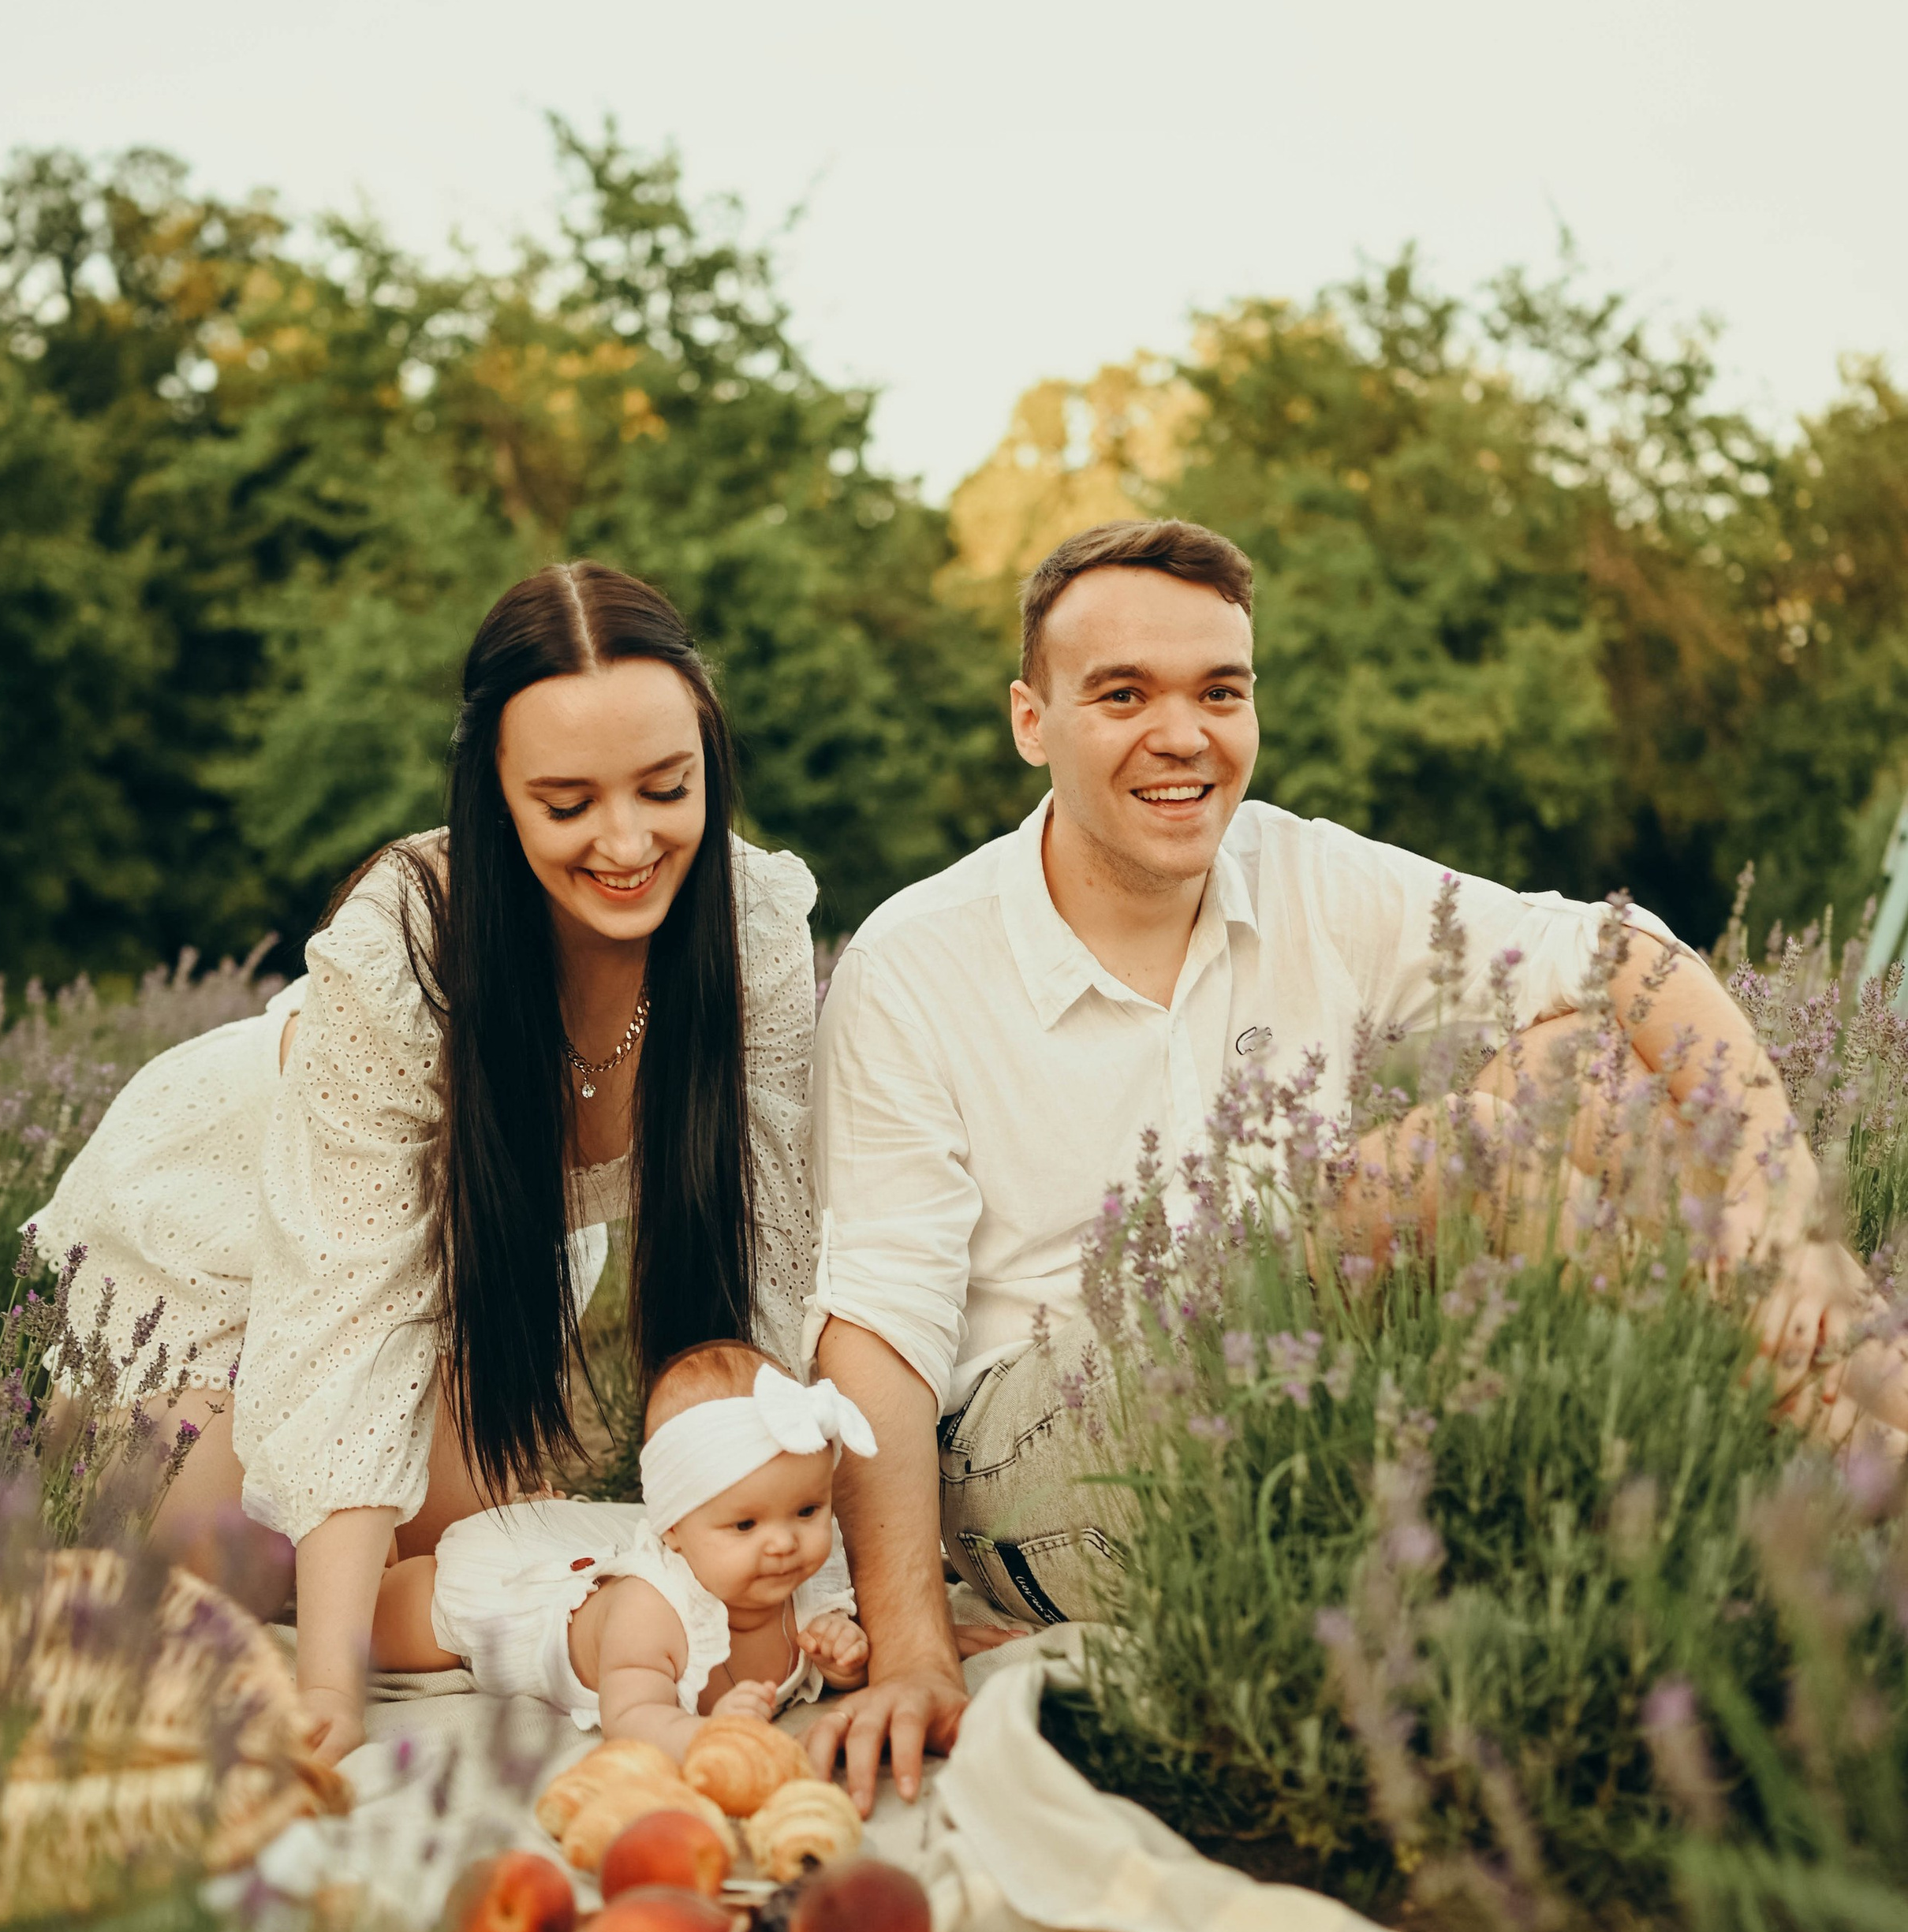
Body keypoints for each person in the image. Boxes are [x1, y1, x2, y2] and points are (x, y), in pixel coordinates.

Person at [801, 517, 1906, 1811]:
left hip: (1275, 1401)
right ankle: (1843, 1493)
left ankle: (1841, 1455)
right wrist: (916, 1649)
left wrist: (1791, 1237)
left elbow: (1633, 952)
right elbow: (877, 1328)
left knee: (1576, 1068)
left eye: (1222, 691)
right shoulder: (916, 963)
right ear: (1031, 722)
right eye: (1123, 695)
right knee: (1490, 1141)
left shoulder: (1300, 866)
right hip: (1045, 1475)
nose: (1185, 734)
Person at [33, 562, 823, 1761]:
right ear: (494, 796)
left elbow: (785, 1273)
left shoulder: (750, 922)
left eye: (667, 787)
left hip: (417, 1291)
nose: (628, 841)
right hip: (207, 1257)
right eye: (566, 803)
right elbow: (351, 1308)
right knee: (227, 1554)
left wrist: (844, 1599)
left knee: (491, 1534)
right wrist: (332, 1694)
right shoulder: (407, 954)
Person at [371, 1341, 872, 1758]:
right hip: (523, 1607)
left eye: (807, 1511)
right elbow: (633, 1717)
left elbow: (831, 1661)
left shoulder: (809, 1581)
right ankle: (371, 1539)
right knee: (380, 1618)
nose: (784, 1542)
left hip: (592, 1552)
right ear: (673, 1529)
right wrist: (708, 1738)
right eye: (745, 1524)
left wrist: (841, 1663)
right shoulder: (652, 1612)